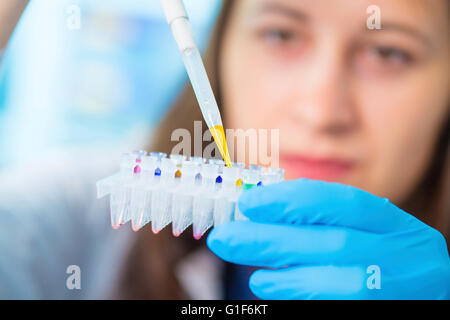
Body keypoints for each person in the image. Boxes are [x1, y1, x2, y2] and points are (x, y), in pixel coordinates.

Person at [0, 0, 448, 299]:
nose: (321, 110)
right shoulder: (80, 221)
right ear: (220, 51)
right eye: (282, 35)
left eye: (390, 52)